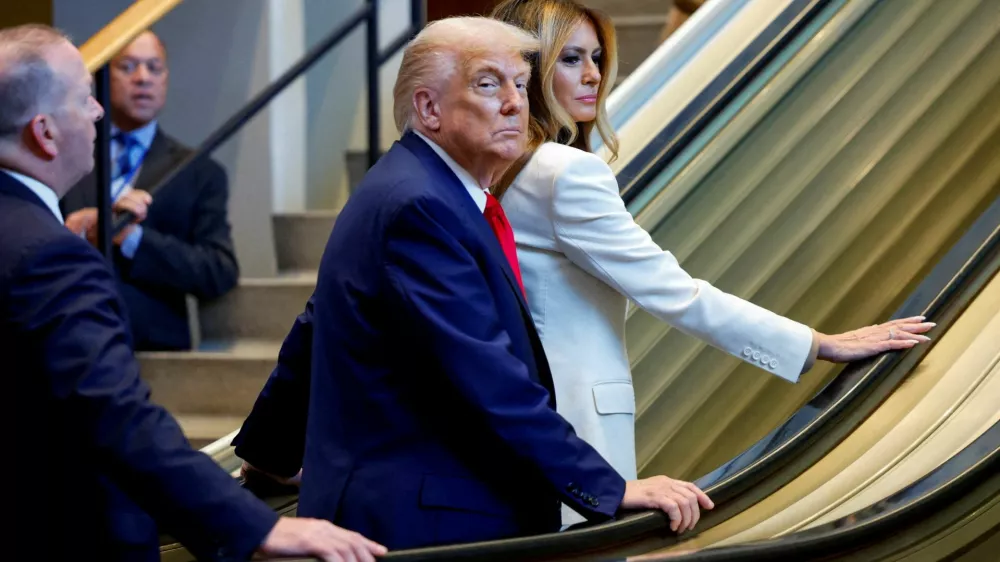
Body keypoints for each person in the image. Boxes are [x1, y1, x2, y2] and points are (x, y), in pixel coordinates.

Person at [233, 16, 715, 550]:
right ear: (428, 108)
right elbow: (489, 376)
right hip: (430, 525)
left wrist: (268, 452)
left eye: (519, 83)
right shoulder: (420, 206)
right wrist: (610, 486)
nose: (515, 102)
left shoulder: (416, 188)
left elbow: (317, 326)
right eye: (488, 84)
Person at [488, 0, 935, 526]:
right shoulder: (567, 172)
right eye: (569, 59)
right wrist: (816, 344)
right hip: (578, 417)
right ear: (530, 69)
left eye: (596, 57)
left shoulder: (503, 165)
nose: (592, 75)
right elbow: (675, 292)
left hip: (532, 415)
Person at [0, 24, 385, 562]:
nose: (96, 113)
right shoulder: (48, 254)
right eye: (84, 97)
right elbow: (118, 423)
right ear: (43, 131)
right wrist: (257, 528)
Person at [61, 30, 238, 351]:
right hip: (68, 339)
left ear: (166, 79)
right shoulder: (64, 154)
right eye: (128, 67)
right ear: (102, 76)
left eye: (154, 68)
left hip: (155, 350)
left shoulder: (199, 171)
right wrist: (82, 228)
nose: (143, 78)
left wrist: (131, 238)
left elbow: (218, 270)